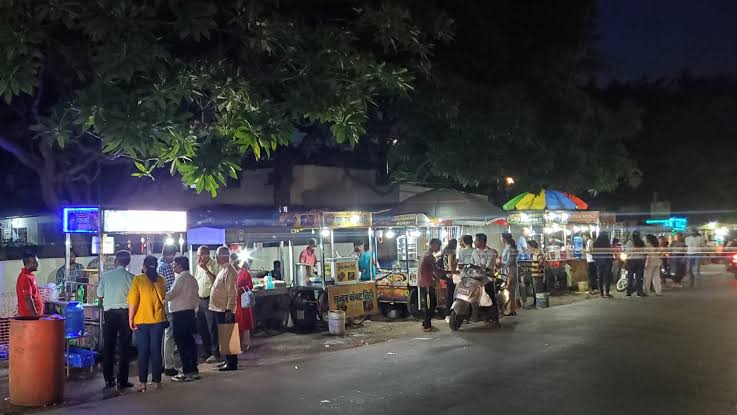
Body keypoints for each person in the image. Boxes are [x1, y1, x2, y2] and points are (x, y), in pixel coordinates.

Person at [128, 255, 167, 392]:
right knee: (156, 351)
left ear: (144, 266)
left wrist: (130, 318)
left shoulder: (138, 280)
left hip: (141, 321)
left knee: (143, 352)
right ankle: (157, 382)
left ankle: (143, 383)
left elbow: (133, 301)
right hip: (157, 320)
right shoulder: (161, 280)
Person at [97, 250, 134, 390]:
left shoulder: (106, 276)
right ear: (128, 262)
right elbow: (134, 299)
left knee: (109, 347)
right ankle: (122, 380)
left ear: (116, 261)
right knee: (125, 347)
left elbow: (100, 295)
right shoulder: (132, 277)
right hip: (125, 314)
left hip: (110, 314)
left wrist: (105, 303)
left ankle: (109, 380)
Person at [167, 256, 200, 382]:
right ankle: (193, 369)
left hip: (180, 315)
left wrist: (160, 293)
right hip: (190, 313)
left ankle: (187, 371)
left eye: (174, 264)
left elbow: (171, 295)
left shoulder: (181, 279)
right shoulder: (192, 279)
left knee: (182, 343)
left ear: (180, 265)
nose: (173, 266)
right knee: (190, 342)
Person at [209, 247, 239, 371]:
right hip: (218, 308)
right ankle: (227, 359)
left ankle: (231, 363)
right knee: (224, 336)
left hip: (224, 309)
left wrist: (229, 310)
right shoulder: (223, 269)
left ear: (223, 256)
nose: (215, 258)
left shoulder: (230, 271)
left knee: (229, 335)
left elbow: (232, 292)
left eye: (216, 255)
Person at [194, 246, 220, 364]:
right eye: (197, 255)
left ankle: (215, 353)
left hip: (210, 299)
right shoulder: (197, 267)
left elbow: (216, 281)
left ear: (206, 255)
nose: (198, 258)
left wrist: (206, 269)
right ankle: (206, 351)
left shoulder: (215, 265)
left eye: (200, 255)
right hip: (200, 300)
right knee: (201, 327)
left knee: (212, 327)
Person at [418, 238, 448, 332]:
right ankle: (427, 326)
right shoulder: (429, 256)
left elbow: (431, 271)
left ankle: (425, 323)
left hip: (424, 283)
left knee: (429, 304)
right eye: (439, 246)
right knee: (430, 304)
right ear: (434, 245)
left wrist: (437, 279)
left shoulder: (425, 254)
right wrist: (451, 271)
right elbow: (437, 270)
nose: (439, 248)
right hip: (426, 284)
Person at [158, 244, 179, 377]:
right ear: (170, 254)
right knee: (169, 335)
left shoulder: (159, 264)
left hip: (159, 304)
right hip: (168, 304)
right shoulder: (166, 268)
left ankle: (161, 363)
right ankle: (169, 365)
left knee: (162, 336)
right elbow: (172, 289)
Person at [232, 254, 254, 353]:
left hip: (243, 301)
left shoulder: (244, 273)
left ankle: (245, 343)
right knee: (235, 322)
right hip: (233, 301)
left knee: (244, 321)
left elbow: (250, 286)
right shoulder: (230, 273)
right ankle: (236, 344)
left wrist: (241, 289)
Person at [16, 252, 43, 317]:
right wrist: (34, 315)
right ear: (27, 264)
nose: (37, 264)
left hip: (34, 316)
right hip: (29, 317)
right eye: (34, 262)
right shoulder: (25, 278)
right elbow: (28, 298)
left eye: (37, 262)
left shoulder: (30, 276)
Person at [501, 233, 519, 315]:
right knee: (508, 290)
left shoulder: (511, 248)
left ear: (504, 239)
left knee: (510, 290)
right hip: (506, 272)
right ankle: (510, 309)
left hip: (510, 272)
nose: (500, 239)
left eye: (501, 238)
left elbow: (510, 261)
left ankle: (511, 309)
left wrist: (503, 266)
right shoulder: (506, 247)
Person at [625, 231, 647, 297]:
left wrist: (633, 250)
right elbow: (645, 252)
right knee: (639, 277)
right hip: (640, 260)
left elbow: (627, 252)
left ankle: (629, 292)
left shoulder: (629, 242)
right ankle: (639, 292)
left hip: (631, 261)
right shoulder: (642, 243)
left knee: (630, 277)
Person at [441, 239, 459, 318]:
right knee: (452, 294)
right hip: (451, 276)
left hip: (447, 275)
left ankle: (449, 313)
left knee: (450, 294)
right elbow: (451, 265)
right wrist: (456, 272)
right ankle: (449, 313)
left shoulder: (445, 251)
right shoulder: (451, 252)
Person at [593, 233, 613, 298]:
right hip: (607, 263)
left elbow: (593, 254)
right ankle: (607, 293)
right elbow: (610, 254)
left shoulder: (595, 243)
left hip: (599, 263)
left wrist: (596, 260)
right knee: (607, 278)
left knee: (600, 278)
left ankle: (601, 293)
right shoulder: (607, 244)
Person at [528, 240, 545, 305]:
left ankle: (539, 303)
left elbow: (541, 261)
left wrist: (538, 267)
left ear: (533, 246)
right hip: (534, 274)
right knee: (535, 289)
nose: (528, 248)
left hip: (537, 274)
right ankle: (536, 303)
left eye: (529, 246)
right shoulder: (535, 253)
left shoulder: (538, 252)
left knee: (538, 290)